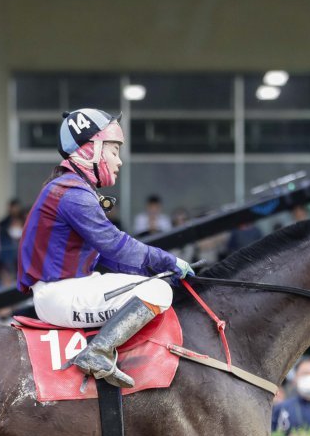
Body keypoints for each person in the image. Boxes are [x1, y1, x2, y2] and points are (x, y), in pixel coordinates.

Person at [17, 108, 191, 388]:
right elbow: (116, 245)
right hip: (61, 296)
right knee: (158, 291)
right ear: (90, 150)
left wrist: (156, 268)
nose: (119, 161)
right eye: (114, 151)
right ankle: (97, 352)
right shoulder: (72, 194)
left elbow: (107, 257)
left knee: (153, 284)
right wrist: (167, 261)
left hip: (72, 287)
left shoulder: (71, 188)